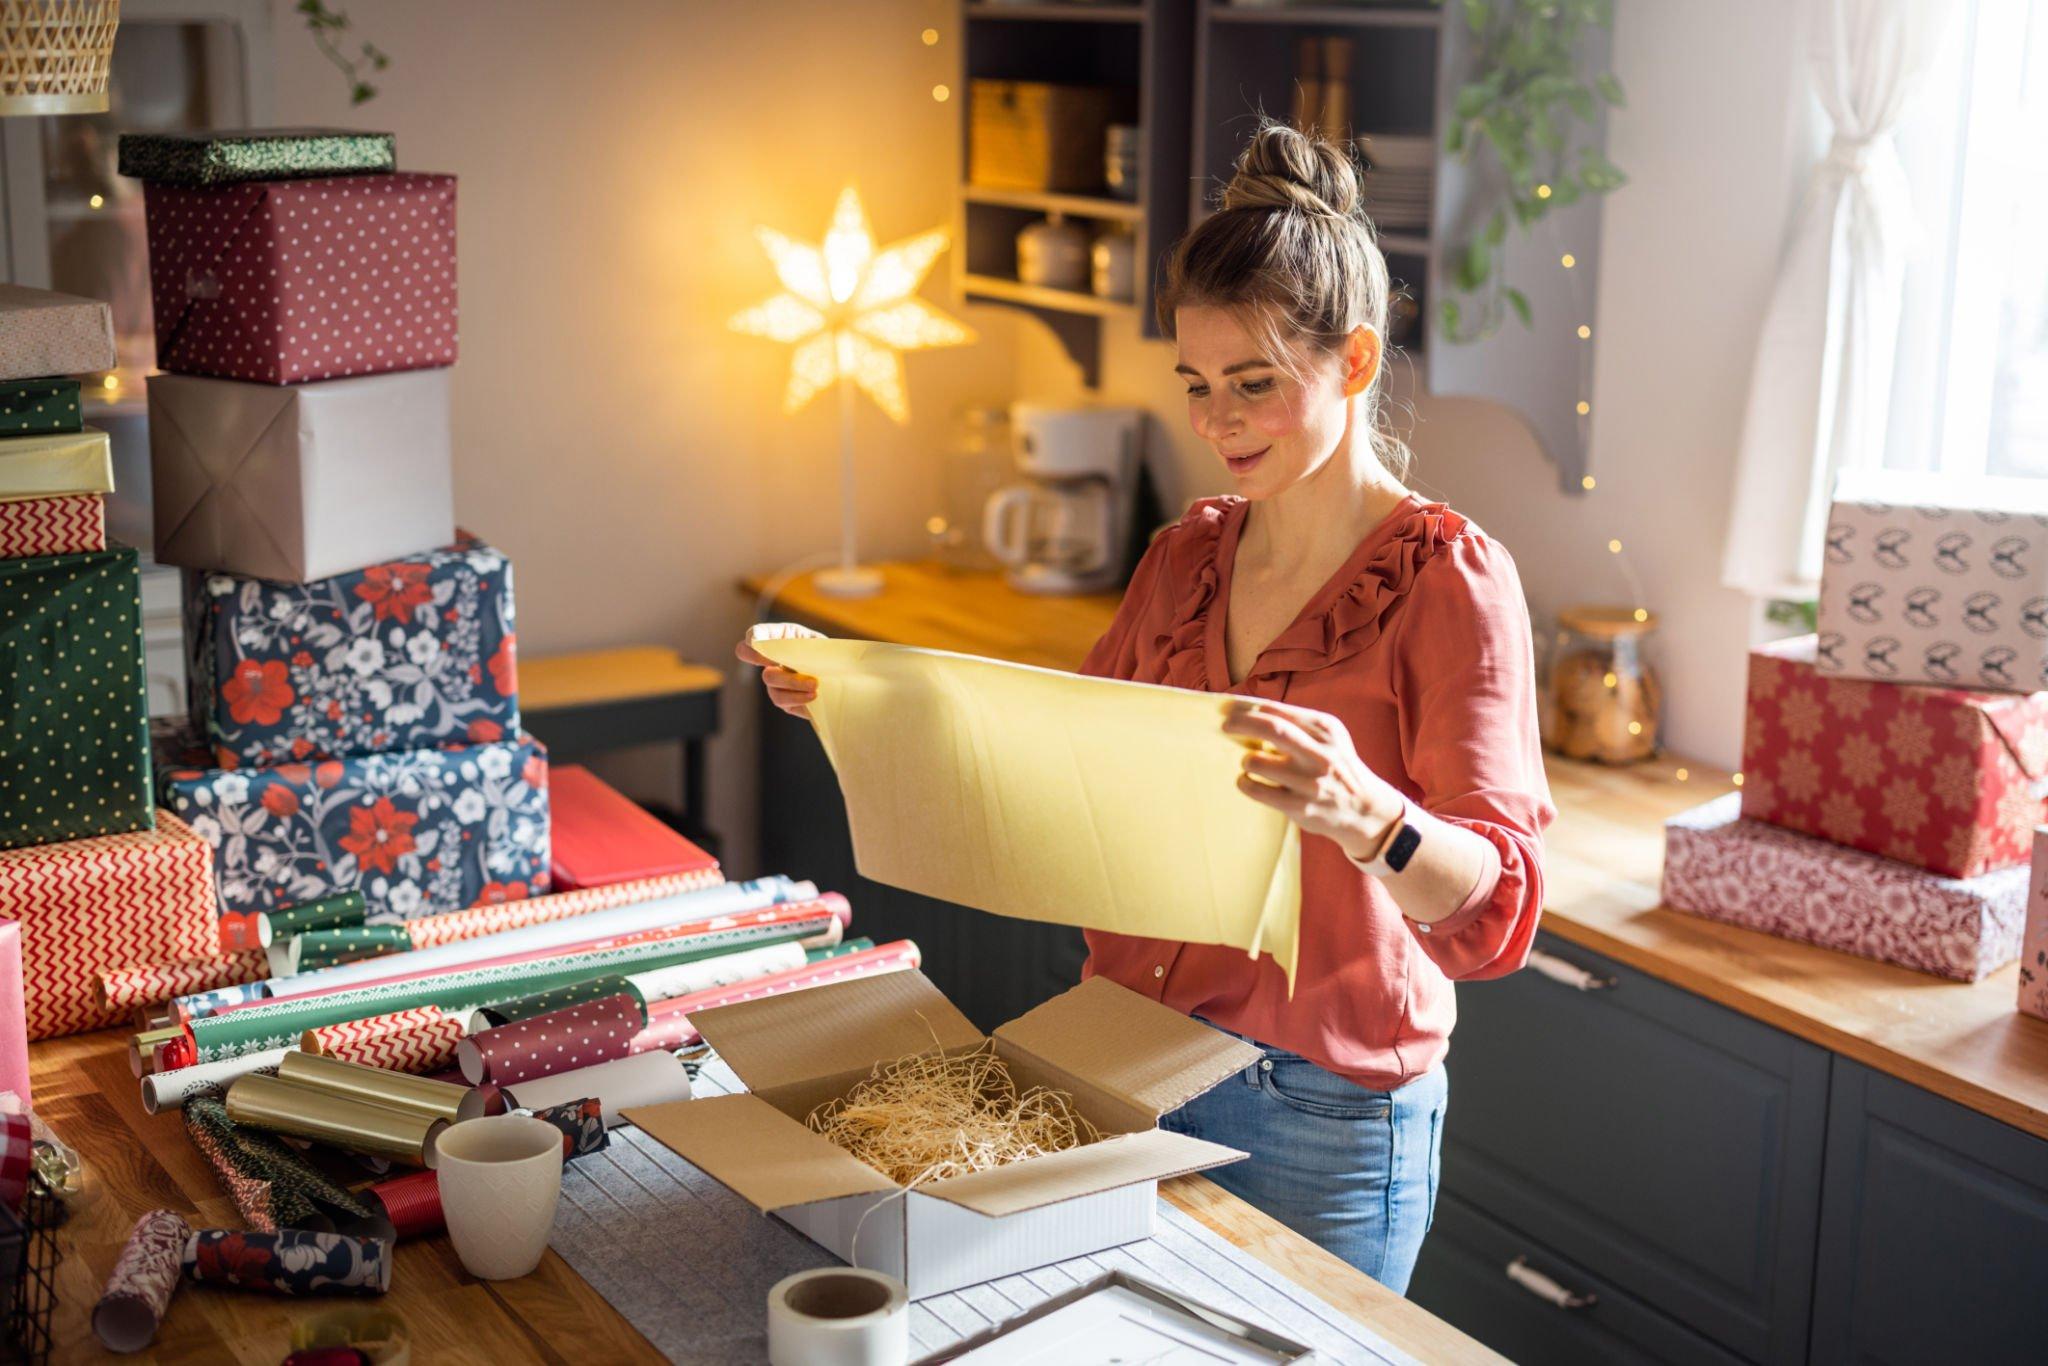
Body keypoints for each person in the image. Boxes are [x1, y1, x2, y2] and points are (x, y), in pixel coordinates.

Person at [738, 122, 1553, 1294]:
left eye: (1255, 385)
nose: (1216, 423)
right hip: (1125, 1056)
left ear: (1357, 361)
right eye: (1197, 386)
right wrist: (859, 707)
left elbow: (1494, 914)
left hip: (1318, 1113)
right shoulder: (1185, 559)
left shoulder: (1445, 580)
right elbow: (1058, 774)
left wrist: (1368, 815)